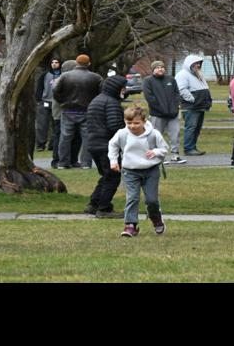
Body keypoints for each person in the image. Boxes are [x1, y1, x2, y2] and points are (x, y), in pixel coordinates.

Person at [108, 105, 168, 238]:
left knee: (151, 200)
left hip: (150, 170)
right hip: (130, 171)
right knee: (132, 198)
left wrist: (156, 151)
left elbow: (164, 148)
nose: (132, 126)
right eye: (129, 123)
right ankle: (130, 225)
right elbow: (112, 145)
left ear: (144, 121)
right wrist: (113, 161)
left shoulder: (153, 134)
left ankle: (156, 218)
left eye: (136, 123)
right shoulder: (122, 134)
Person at [84, 71, 128, 217]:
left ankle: (93, 204)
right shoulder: (112, 103)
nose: (124, 90)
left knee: (105, 175)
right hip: (106, 146)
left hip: (94, 144)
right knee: (113, 176)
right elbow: (115, 127)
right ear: (116, 88)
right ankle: (104, 208)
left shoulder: (97, 100)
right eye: (123, 87)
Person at [52, 55, 102, 169]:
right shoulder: (96, 77)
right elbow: (101, 94)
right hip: (87, 110)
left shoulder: (64, 76)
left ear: (76, 63)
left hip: (68, 110)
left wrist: (62, 102)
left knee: (65, 137)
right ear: (89, 63)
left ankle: (63, 163)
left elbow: (55, 91)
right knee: (87, 138)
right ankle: (85, 163)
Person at [143, 61, 184, 163]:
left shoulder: (170, 79)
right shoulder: (148, 81)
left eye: (162, 67)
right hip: (157, 114)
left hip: (173, 114)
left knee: (175, 134)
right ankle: (157, 156)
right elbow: (150, 97)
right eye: (157, 67)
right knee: (156, 135)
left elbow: (176, 94)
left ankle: (175, 154)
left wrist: (176, 107)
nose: (160, 69)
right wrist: (160, 109)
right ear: (153, 70)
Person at [175, 54, 211, 156]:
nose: (198, 65)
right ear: (189, 64)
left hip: (200, 106)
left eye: (199, 63)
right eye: (195, 63)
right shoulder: (182, 74)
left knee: (197, 128)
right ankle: (188, 148)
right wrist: (192, 100)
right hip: (191, 107)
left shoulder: (198, 74)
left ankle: (193, 147)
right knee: (191, 128)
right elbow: (181, 89)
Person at [37, 58, 62, 150]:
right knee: (42, 124)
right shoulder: (45, 75)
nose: (54, 64)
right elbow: (39, 87)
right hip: (45, 101)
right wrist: (39, 99)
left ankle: (53, 144)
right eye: (52, 62)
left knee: (56, 124)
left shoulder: (63, 75)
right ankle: (41, 144)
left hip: (58, 103)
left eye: (56, 62)